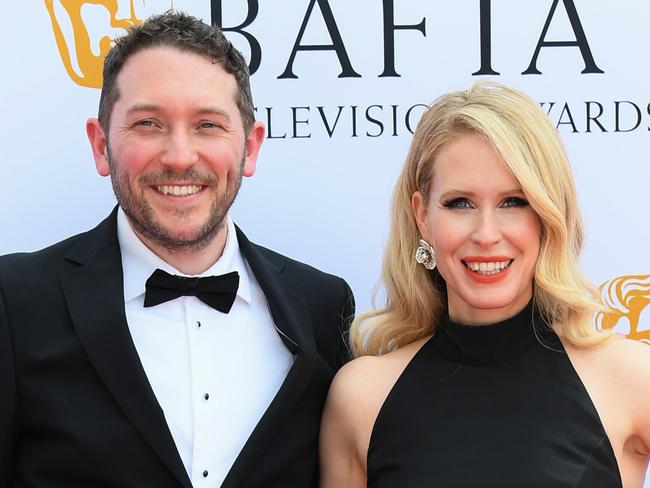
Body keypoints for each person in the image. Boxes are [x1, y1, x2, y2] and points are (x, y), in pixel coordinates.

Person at [0, 11, 354, 488]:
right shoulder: (15, 301)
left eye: (208, 125)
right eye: (149, 124)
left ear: (251, 148)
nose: (180, 156)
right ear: (101, 145)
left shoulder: (322, 307)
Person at [319, 81, 650, 487]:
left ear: (547, 215)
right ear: (423, 216)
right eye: (460, 203)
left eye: (513, 202)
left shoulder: (630, 378)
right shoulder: (361, 397)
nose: (487, 233)